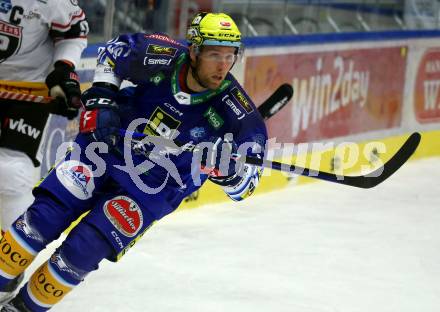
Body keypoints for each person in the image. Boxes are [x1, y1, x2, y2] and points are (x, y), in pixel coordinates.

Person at [0, 12, 267, 311]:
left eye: (230, 56)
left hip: (152, 189)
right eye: (214, 54)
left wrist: (228, 172)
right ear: (193, 51)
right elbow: (113, 53)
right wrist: (102, 96)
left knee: (82, 252)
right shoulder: (161, 55)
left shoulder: (240, 115)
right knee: (42, 218)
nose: (223, 65)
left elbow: (246, 186)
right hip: (105, 148)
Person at [0, 0, 88, 235]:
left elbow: (73, 32)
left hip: (28, 86)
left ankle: (6, 260)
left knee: (11, 172)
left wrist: (63, 69)